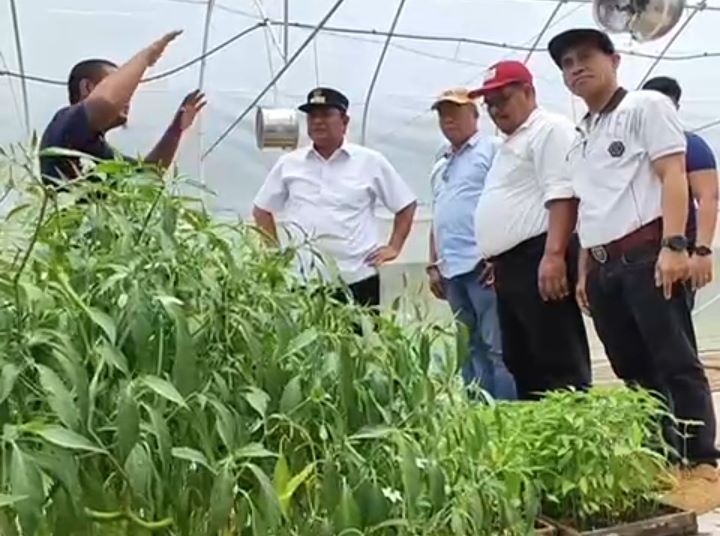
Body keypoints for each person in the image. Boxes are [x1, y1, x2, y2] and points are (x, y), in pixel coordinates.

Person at [548, 29, 718, 474]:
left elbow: (673, 176)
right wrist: (585, 269)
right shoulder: (583, 132)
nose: (576, 68)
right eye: (567, 64)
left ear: (615, 60)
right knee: (631, 365)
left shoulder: (645, 107)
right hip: (603, 266)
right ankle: (661, 450)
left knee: (674, 357)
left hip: (646, 255)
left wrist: (676, 245)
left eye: (585, 57)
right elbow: (591, 206)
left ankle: (700, 454)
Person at [470, 61, 591, 400]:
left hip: (540, 255)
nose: (495, 110)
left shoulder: (548, 129)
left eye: (503, 99)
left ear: (528, 92)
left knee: (556, 355)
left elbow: (562, 194)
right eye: (489, 104)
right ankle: (540, 438)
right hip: (512, 265)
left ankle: (573, 435)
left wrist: (553, 255)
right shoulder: (509, 143)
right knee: (522, 358)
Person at [252, 87, 417, 307]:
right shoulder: (290, 164)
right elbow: (261, 210)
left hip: (357, 278)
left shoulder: (370, 162)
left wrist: (394, 246)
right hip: (305, 281)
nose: (318, 122)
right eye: (312, 116)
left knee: (359, 341)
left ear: (345, 121)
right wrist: (275, 253)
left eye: (326, 115)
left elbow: (405, 204)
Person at [427, 88, 516, 399]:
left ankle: (506, 415)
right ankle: (476, 415)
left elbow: (504, 202)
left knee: (497, 347)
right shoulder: (441, 162)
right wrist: (433, 263)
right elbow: (438, 213)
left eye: (455, 111)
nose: (448, 119)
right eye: (442, 113)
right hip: (451, 269)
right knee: (467, 346)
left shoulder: (491, 149)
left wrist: (497, 254)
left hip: (481, 264)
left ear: (475, 115)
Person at [40, 31, 206, 184]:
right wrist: (147, 56)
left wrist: (176, 128)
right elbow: (106, 102)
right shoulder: (64, 123)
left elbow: (146, 175)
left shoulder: (97, 149)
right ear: (88, 88)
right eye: (120, 87)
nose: (127, 98)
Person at [641, 76, 718, 309]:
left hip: (677, 247)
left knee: (672, 326)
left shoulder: (690, 144)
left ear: (675, 108)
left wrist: (702, 251)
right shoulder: (635, 148)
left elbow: (708, 197)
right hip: (636, 252)